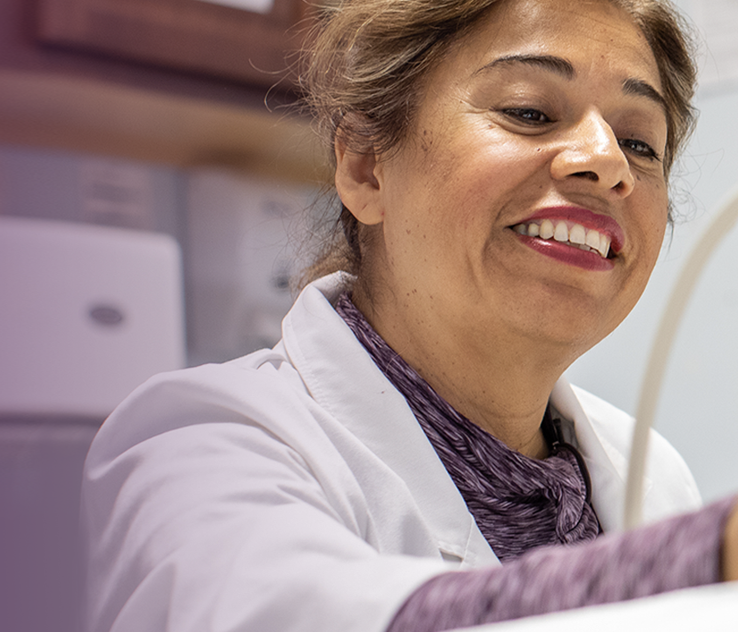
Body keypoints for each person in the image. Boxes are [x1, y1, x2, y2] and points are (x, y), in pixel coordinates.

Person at [82, 0, 738, 630]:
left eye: (640, 142)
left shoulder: (652, 474)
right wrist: (709, 554)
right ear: (367, 168)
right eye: (530, 111)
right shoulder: (203, 446)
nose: (607, 160)